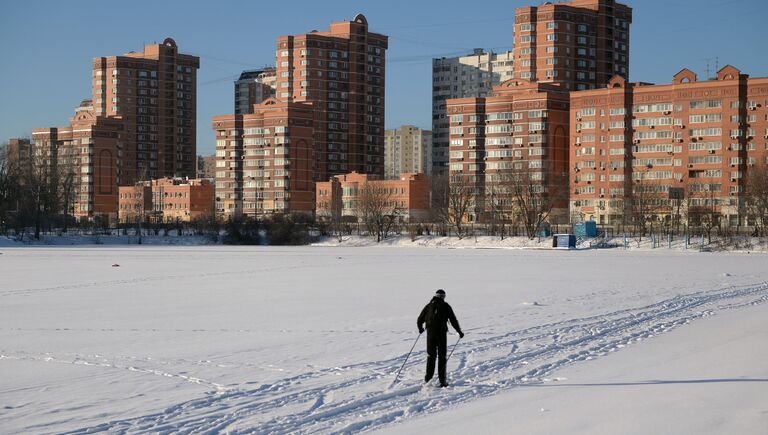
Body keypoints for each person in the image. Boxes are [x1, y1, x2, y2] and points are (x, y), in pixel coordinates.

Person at [417, 289, 464, 387]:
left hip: (430, 334)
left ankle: (428, 379)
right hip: (441, 334)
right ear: (443, 297)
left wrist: (420, 329)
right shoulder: (446, 306)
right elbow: (453, 320)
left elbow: (419, 319)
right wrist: (459, 332)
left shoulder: (428, 306)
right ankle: (442, 381)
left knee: (431, 356)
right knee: (442, 356)